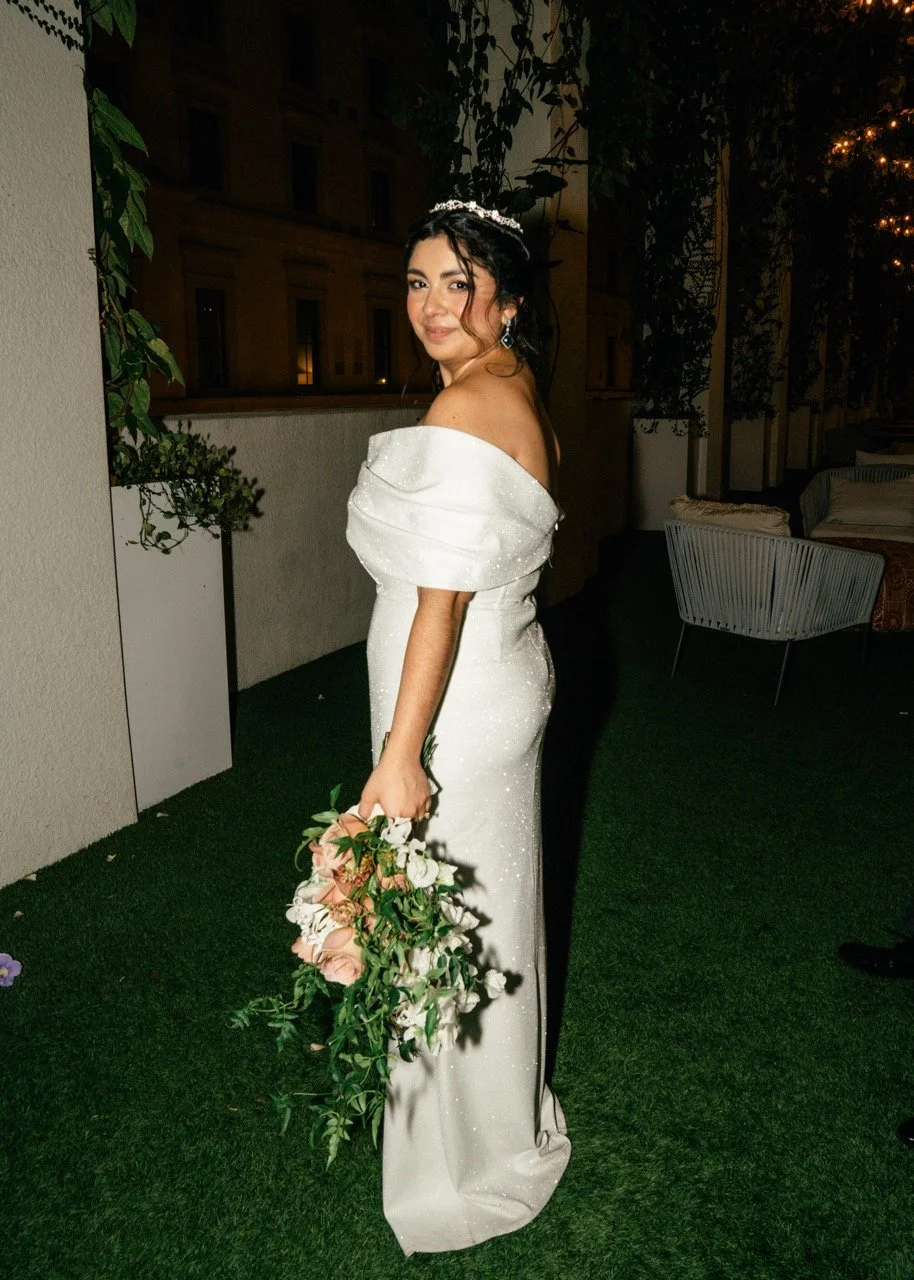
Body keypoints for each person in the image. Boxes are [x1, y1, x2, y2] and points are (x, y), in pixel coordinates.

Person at [345, 199, 571, 1254]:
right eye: (417, 281)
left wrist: (400, 756)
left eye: (458, 283)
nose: (432, 305)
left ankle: (455, 1163)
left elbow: (439, 600)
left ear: (507, 302)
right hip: (500, 682)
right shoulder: (511, 389)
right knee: (486, 903)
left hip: (455, 703)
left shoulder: (463, 411)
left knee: (438, 917)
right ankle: (493, 1125)